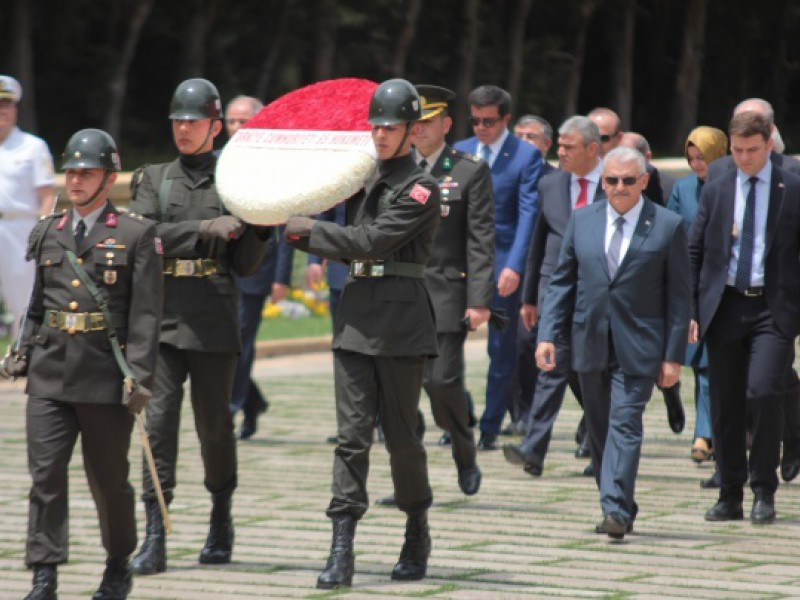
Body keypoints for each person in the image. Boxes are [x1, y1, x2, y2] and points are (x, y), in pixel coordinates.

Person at [284, 78, 440, 589]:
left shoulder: (422, 187)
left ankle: (416, 526)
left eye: (389, 127)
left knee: (400, 440)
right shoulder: (362, 176)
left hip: (399, 324)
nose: (379, 134)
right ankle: (341, 546)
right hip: (355, 320)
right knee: (350, 439)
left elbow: (372, 242)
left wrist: (308, 232)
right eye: (374, 125)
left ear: (411, 131)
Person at [2, 129, 162, 600]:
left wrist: (140, 377)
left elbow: (147, 315)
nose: (74, 180)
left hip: (105, 378)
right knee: (45, 477)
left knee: (109, 482)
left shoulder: (136, 234)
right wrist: (23, 351)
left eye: (85, 172)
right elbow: (37, 303)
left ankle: (117, 565)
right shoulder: (48, 231)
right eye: (70, 172)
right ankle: (44, 573)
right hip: (50, 374)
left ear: (108, 177)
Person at [127, 78, 271, 574]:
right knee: (159, 427)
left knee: (214, 429)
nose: (183, 129)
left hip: (213, 317)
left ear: (215, 126)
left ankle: (220, 517)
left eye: (193, 121)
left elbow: (247, 264)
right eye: (177, 120)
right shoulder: (155, 178)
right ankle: (154, 531)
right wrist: (204, 230)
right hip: (163, 320)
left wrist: (261, 227)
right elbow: (144, 238)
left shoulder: (236, 179)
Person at [537, 146, 689, 539]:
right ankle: (619, 501)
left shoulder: (668, 225)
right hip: (588, 341)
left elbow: (678, 297)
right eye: (611, 180)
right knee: (600, 431)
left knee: (625, 424)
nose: (618, 188)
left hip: (640, 344)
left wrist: (673, 357)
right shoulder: (583, 220)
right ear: (602, 181)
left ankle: (616, 511)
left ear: (643, 181)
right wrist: (548, 334)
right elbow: (561, 282)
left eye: (627, 180)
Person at [375, 84, 494, 506]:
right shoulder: (388, 169)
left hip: (444, 293)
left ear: (446, 125)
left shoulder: (467, 170)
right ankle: (407, 482)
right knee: (399, 398)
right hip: (396, 297)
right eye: (414, 123)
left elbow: (480, 239)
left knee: (441, 382)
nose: (420, 130)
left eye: (428, 122)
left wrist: (479, 298)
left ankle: (464, 448)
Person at [689, 111, 800, 525]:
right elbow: (694, 250)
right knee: (726, 402)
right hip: (726, 305)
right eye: (737, 151)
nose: (745, 158)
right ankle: (730, 492)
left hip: (773, 307)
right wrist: (691, 310)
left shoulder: (792, 188)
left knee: (763, 391)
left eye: (752, 150)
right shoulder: (718, 188)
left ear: (768, 144)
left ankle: (763, 489)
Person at [505, 115, 603, 477]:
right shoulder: (551, 185)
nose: (560, 152)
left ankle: (601, 448)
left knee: (591, 377)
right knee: (549, 367)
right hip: (555, 294)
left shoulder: (615, 184)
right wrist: (529, 298)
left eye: (569, 147)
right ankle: (533, 450)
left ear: (593, 149)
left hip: (599, 298)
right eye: (559, 145)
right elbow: (536, 243)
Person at [454, 85, 542, 450]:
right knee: (444, 348)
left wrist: (516, 265)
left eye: (488, 121)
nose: (480, 128)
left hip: (503, 262)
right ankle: (457, 419)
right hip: (459, 264)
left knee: (501, 350)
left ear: (506, 119)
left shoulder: (525, 156)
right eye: (474, 121)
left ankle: (490, 426)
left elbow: (527, 215)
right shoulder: (458, 152)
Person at [223, 94, 293, 441]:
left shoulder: (274, 165)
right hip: (221, 267)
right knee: (224, 341)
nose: (236, 128)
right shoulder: (218, 161)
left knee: (239, 342)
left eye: (243, 121)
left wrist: (282, 276)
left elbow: (286, 224)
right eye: (231, 121)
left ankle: (232, 407)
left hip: (257, 270)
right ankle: (252, 401)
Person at [666, 126, 728, 465]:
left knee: (713, 365)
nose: (695, 165)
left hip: (725, 285)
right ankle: (705, 432)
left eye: (701, 158)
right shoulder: (683, 189)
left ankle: (708, 433)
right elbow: (673, 231)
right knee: (700, 364)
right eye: (691, 159)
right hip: (690, 285)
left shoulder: (732, 185)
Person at [0, 75, 55, 340]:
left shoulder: (33, 147)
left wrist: (44, 236)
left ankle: (20, 358)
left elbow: (46, 196)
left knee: (22, 299)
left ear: (15, 109)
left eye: (6, 104)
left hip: (19, 228)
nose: (2, 110)